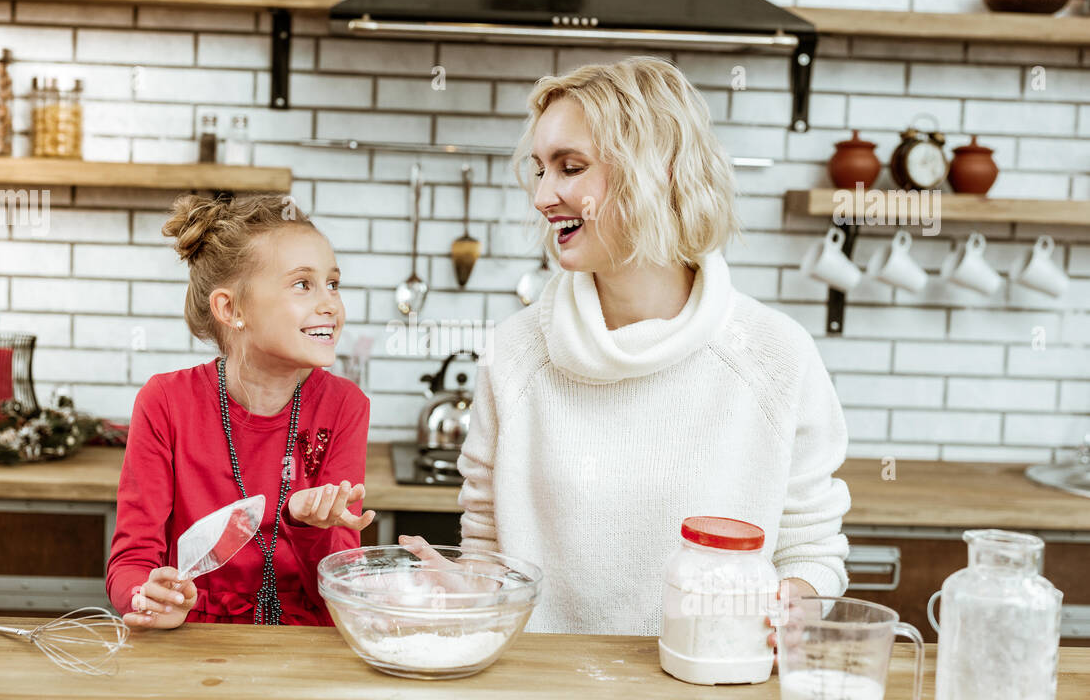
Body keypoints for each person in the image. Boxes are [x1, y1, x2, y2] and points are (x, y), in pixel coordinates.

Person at [403, 56, 851, 638]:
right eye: (539, 170)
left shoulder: (775, 355)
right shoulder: (515, 354)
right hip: (539, 699)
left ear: (656, 170)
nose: (543, 196)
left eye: (570, 167)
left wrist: (790, 606)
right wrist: (469, 589)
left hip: (712, 690)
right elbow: (490, 544)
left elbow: (811, 548)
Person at [107, 193, 375, 629]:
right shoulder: (165, 402)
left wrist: (308, 526)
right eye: (303, 284)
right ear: (230, 308)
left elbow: (339, 591)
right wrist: (149, 597)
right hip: (194, 638)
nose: (330, 304)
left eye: (333, 283)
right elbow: (132, 561)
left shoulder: (345, 406)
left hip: (304, 651)